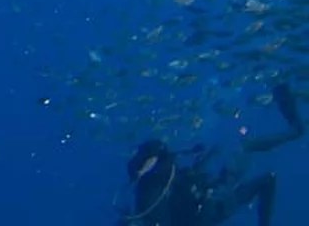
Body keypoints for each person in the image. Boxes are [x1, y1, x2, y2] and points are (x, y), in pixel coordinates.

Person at [121, 84, 303, 225]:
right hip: (210, 210)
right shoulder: (158, 183)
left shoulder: (149, 186)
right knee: (251, 158)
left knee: (245, 151)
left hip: (205, 201)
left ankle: (294, 127)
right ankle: (295, 127)